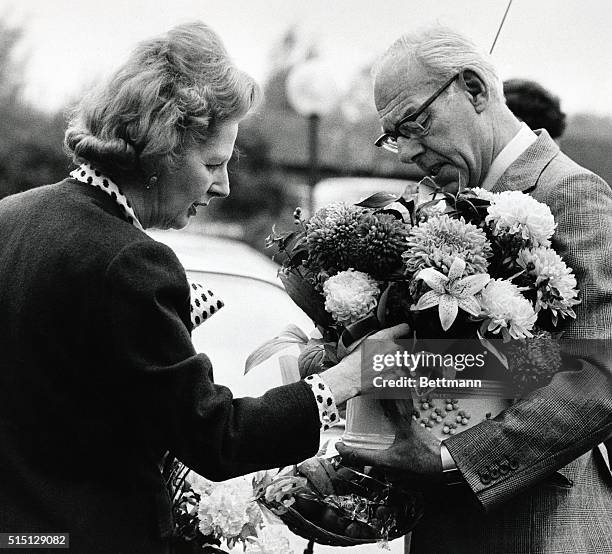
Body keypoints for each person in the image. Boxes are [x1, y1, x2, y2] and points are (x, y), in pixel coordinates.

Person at [0, 22, 406, 554]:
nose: (224, 185)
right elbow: (215, 438)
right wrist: (346, 377)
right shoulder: (130, 261)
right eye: (212, 163)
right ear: (161, 149)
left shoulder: (12, 215)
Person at [338, 26, 612, 553]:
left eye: (415, 123)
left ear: (474, 89)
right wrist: (356, 380)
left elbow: (598, 377)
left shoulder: (571, 191)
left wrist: (450, 459)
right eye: (394, 135)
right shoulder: (445, 205)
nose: (407, 151)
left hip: (537, 531)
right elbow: (459, 369)